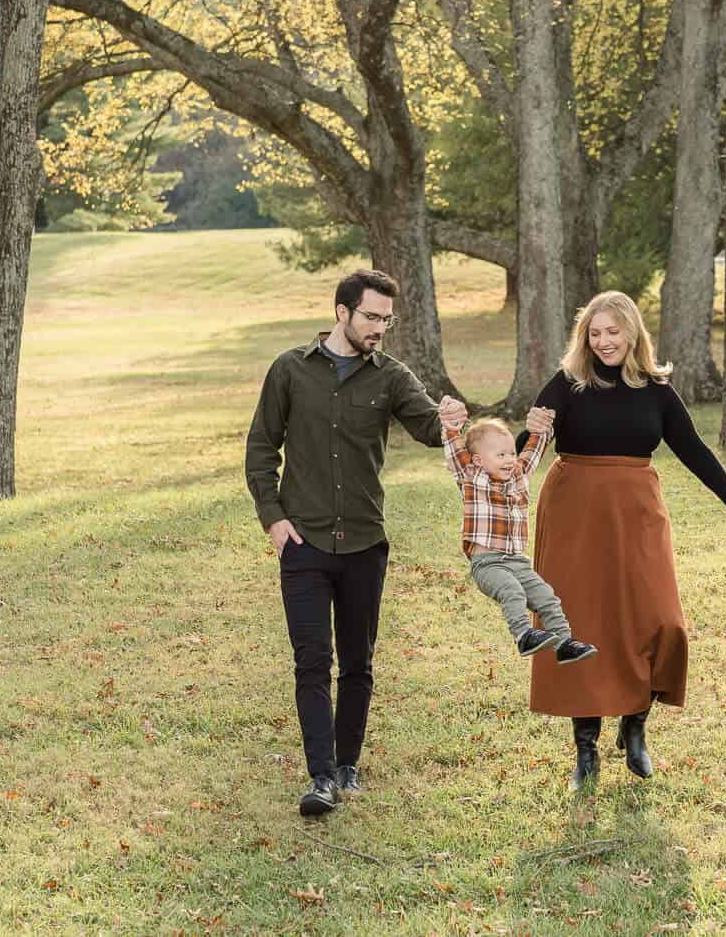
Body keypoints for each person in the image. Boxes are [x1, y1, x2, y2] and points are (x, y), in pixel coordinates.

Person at [244, 268, 464, 819]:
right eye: (371, 317)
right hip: (306, 544)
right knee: (312, 661)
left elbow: (429, 428)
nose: (380, 329)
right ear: (341, 312)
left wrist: (454, 420)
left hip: (365, 542)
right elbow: (260, 448)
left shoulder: (389, 376)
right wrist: (274, 520)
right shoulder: (290, 370)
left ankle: (348, 764)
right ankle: (321, 777)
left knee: (358, 663)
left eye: (387, 320)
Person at [525, 291, 726, 790]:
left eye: (613, 331)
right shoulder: (567, 385)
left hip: (636, 516)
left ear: (632, 334)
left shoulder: (656, 390)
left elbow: (693, 450)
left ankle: (634, 726)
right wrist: (529, 433)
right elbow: (526, 457)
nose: (604, 341)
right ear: (584, 338)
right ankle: (585, 750)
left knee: (659, 620)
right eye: (595, 333)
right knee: (580, 624)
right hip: (574, 516)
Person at [439, 402, 598, 666]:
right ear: (478, 460)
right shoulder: (471, 477)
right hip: (488, 565)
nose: (510, 459)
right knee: (512, 592)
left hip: (518, 562)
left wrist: (544, 428)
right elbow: (455, 450)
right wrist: (451, 428)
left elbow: (534, 448)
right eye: (500, 455)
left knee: (547, 597)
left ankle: (564, 643)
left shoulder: (518, 475)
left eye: (511, 453)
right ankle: (523, 635)